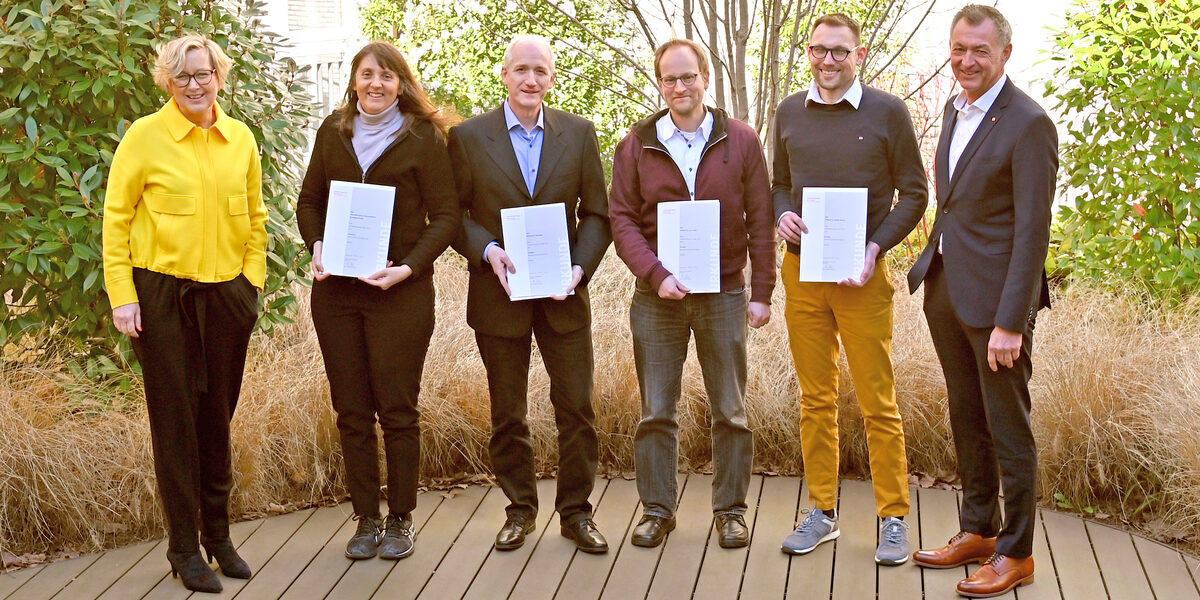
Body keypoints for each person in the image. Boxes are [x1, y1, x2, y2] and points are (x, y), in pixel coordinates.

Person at [103, 34, 265, 593]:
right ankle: (182, 548)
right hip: (162, 298)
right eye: (183, 78)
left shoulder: (240, 139)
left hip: (226, 297)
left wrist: (252, 284)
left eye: (203, 74)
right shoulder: (144, 138)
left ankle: (218, 537)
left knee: (217, 418)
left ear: (220, 76)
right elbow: (116, 219)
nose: (195, 85)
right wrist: (123, 295)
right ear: (167, 84)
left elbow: (258, 217)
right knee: (175, 424)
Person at [906, 5, 1058, 597]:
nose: (967, 60)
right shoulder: (955, 108)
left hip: (996, 306)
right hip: (947, 288)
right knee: (967, 418)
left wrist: (1011, 322)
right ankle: (978, 530)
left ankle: (1016, 552)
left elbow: (1033, 232)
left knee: (1007, 427)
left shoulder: (1028, 123)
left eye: (980, 51)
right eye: (959, 48)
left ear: (1004, 55)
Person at [771, 13, 927, 565]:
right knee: (816, 399)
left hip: (862, 278)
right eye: (818, 50)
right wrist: (783, 214)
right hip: (802, 273)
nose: (828, 61)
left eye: (839, 51)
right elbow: (779, 184)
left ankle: (893, 518)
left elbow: (914, 193)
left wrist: (875, 248)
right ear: (809, 52)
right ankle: (822, 512)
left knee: (877, 401)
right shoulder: (789, 111)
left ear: (857, 55)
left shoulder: (888, 112)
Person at [447, 35, 611, 554]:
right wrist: (488, 250)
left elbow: (597, 216)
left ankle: (577, 513)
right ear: (504, 74)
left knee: (577, 410)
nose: (531, 80)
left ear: (552, 78)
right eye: (521, 69)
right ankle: (519, 509)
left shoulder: (579, 134)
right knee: (508, 412)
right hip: (500, 294)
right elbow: (455, 217)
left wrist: (580, 268)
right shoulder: (469, 138)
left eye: (540, 70)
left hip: (563, 294)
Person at [609, 38, 775, 550]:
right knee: (657, 410)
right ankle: (658, 510)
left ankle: (730, 511)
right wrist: (656, 275)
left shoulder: (740, 140)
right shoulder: (637, 143)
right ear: (660, 84)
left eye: (688, 77)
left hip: (724, 293)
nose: (679, 87)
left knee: (730, 409)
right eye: (669, 79)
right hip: (658, 298)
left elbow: (761, 219)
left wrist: (762, 290)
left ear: (705, 77)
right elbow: (622, 220)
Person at [296, 42, 459, 561]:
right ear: (354, 80)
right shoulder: (333, 131)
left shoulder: (423, 138)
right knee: (351, 410)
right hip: (338, 294)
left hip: (400, 295)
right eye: (367, 75)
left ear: (400, 84)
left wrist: (408, 267)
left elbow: (448, 216)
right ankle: (365, 517)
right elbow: (309, 202)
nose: (376, 85)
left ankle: (402, 519)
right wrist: (317, 246)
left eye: (386, 77)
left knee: (397, 409)